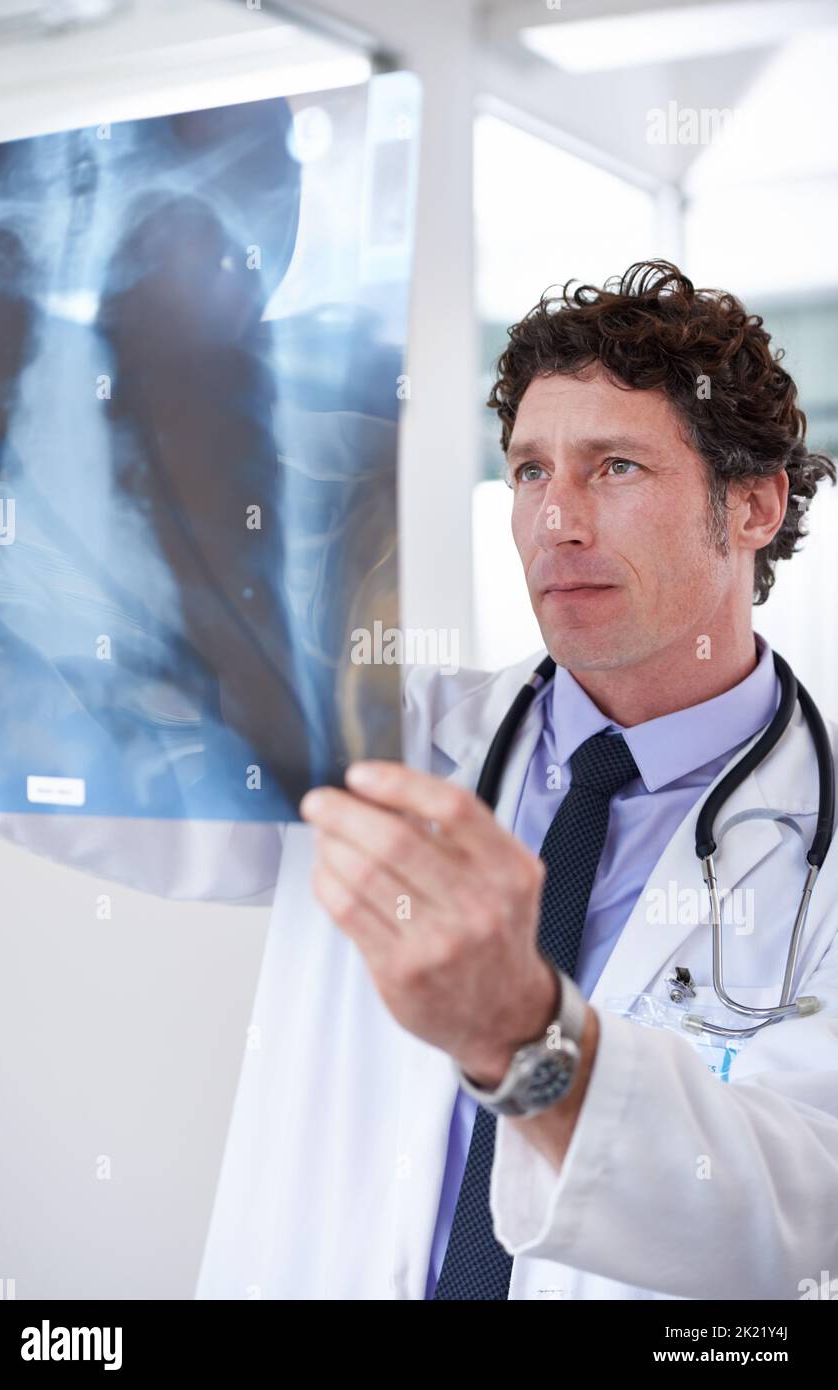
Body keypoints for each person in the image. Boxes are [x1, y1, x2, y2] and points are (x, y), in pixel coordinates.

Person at [196, 260, 838, 1300]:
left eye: (615, 467)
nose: (555, 520)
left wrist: (525, 1035)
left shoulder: (821, 848)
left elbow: (796, 1224)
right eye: (531, 470)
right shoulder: (377, 736)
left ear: (756, 504)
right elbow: (99, 802)